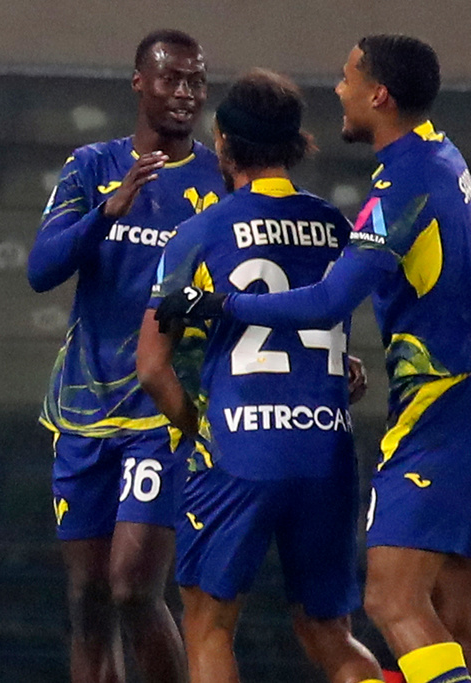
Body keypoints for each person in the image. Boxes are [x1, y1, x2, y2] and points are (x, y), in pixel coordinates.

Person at [156, 35, 471, 683]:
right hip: (330, 447)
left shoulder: (399, 185)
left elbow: (152, 363)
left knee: (379, 601)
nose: (339, 89)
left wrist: (218, 316)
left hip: (410, 421)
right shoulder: (409, 181)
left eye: (348, 77)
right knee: (403, 616)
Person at [138, 69, 383, 683]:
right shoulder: (335, 225)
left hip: (239, 450)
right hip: (326, 450)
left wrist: (203, 427)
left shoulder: (197, 233)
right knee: (330, 633)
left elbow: (151, 367)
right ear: (297, 143)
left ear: (222, 141)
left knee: (209, 624)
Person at [27, 28, 224, 683]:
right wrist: (107, 213)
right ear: (140, 82)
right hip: (84, 406)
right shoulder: (92, 166)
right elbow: (41, 269)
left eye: (196, 81)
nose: (186, 93)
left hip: (163, 405)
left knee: (134, 586)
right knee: (87, 597)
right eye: (172, 79)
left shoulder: (217, 177)